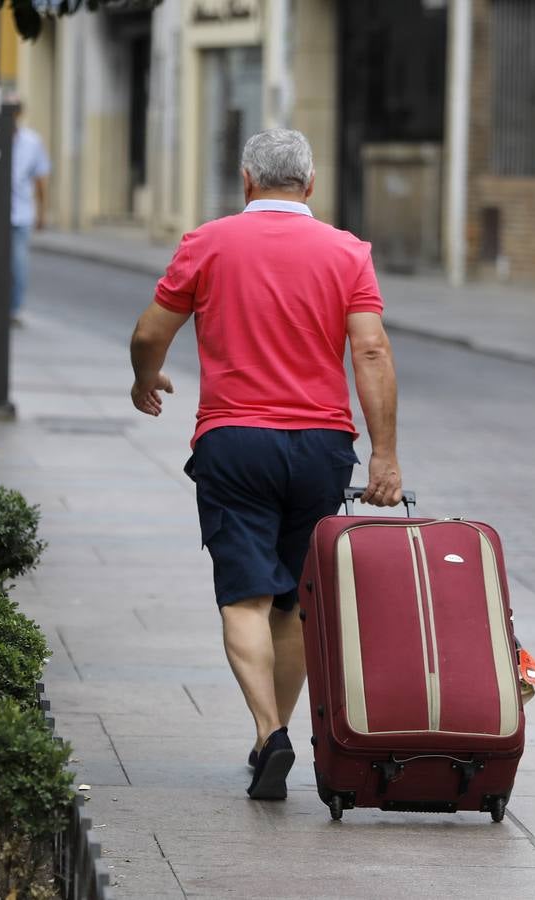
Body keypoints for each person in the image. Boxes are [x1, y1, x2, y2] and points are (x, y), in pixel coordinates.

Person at [127, 128, 403, 801]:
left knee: (243, 595)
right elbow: (369, 352)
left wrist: (147, 377)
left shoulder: (207, 242)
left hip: (234, 443)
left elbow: (147, 333)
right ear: (309, 185)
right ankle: (269, 740)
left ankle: (268, 732)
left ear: (245, 181)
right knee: (294, 602)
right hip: (320, 446)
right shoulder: (347, 252)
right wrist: (384, 455)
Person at [9, 98, 50, 325]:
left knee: (18, 264)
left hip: (21, 213)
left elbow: (41, 178)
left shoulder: (32, 142)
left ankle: (14, 309)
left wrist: (42, 212)